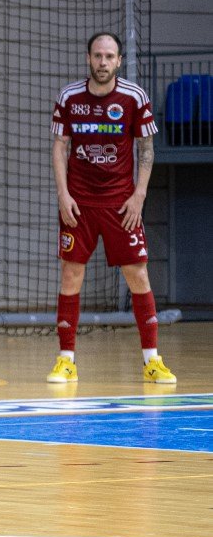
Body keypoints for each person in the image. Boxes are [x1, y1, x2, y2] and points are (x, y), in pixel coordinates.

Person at [47, 32, 174, 384]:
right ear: (88, 58)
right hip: (79, 204)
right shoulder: (70, 97)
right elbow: (59, 146)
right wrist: (63, 194)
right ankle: (66, 360)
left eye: (110, 56)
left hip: (122, 205)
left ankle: (152, 361)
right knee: (71, 276)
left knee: (139, 276)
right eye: (98, 55)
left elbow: (147, 149)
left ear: (119, 61)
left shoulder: (134, 98)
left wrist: (139, 196)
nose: (103, 62)